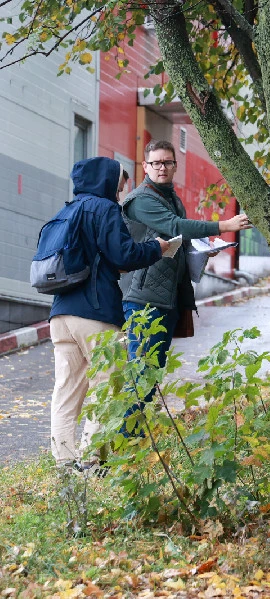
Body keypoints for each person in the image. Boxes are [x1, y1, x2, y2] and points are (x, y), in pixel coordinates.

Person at [120, 140, 252, 428]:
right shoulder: (142, 199)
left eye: (167, 162)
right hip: (144, 300)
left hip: (165, 297)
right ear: (145, 166)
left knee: (150, 377)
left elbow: (179, 238)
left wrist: (204, 245)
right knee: (141, 378)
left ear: (174, 165)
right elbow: (175, 227)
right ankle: (121, 451)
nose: (162, 167)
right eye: (156, 163)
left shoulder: (168, 196)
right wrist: (223, 225)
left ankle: (136, 446)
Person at [49, 157, 167, 467]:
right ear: (109, 182)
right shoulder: (105, 210)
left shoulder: (68, 209)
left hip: (61, 315)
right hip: (96, 313)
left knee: (66, 391)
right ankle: (92, 462)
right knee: (107, 386)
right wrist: (158, 247)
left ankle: (64, 461)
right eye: (120, 186)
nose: (122, 192)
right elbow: (124, 255)